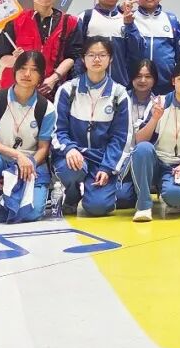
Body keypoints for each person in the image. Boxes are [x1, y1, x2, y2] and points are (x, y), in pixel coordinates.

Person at [0, 50, 55, 223]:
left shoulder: (46, 108)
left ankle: (14, 194)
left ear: (41, 76)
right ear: (14, 71)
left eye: (34, 70)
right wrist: (18, 156)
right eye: (22, 68)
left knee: (31, 214)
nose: (27, 74)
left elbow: (43, 147)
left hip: (30, 164)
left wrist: (28, 163)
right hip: (1, 159)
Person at [51, 37, 134, 217]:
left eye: (102, 55)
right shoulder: (67, 90)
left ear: (110, 59)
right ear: (83, 59)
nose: (97, 59)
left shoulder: (119, 94)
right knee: (71, 169)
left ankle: (104, 191)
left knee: (98, 207)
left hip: (101, 159)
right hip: (74, 156)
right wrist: (69, 149)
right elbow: (57, 130)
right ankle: (71, 195)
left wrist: (107, 167)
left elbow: (121, 138)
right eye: (91, 55)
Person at [129, 60, 180, 222]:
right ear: (173, 81)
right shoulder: (159, 103)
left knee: (175, 196)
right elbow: (139, 140)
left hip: (178, 166)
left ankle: (172, 190)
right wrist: (155, 119)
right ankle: (143, 205)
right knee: (143, 149)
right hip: (154, 162)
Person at [0, 0, 81, 98]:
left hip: (51, 89)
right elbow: (2, 57)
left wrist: (53, 79)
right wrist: (18, 60)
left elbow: (72, 56)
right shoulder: (15, 21)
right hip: (16, 90)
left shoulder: (70, 22)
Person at [74, 0, 139, 87]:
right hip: (88, 84)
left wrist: (130, 25)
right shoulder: (85, 17)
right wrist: (79, 78)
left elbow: (136, 50)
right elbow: (76, 52)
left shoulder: (127, 18)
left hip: (120, 84)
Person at [131, 0, 180, 95]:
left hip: (166, 82)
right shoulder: (129, 18)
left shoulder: (171, 19)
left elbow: (179, 51)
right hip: (136, 80)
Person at [128, 59, 158, 124]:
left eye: (148, 76)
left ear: (154, 79)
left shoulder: (158, 104)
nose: (143, 80)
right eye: (138, 76)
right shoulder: (122, 98)